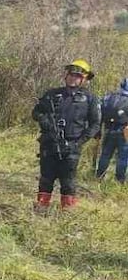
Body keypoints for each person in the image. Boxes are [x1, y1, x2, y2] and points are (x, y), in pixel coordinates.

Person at [31, 59, 101, 210]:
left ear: (84, 79)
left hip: (72, 147)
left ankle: (67, 211)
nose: (73, 78)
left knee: (68, 181)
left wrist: (79, 142)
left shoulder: (90, 99)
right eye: (71, 74)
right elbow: (36, 112)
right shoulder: (52, 94)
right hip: (49, 144)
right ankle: (41, 208)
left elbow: (95, 124)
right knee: (46, 179)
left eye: (77, 76)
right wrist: (44, 120)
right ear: (66, 76)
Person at [96, 78, 128, 183]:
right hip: (125, 131)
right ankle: (120, 180)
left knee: (105, 155)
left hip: (108, 130)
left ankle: (99, 177)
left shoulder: (108, 97)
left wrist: (98, 130)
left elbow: (99, 113)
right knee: (122, 157)